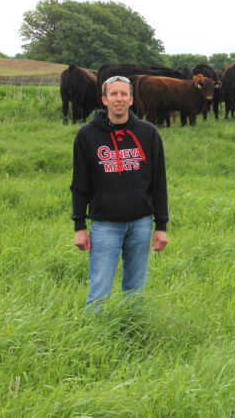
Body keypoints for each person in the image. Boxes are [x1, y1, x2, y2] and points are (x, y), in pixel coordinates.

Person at [71, 75, 169, 308]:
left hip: (141, 224)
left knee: (135, 291)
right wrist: (79, 227)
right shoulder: (87, 135)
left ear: (132, 100)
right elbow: (79, 184)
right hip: (105, 225)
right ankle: (93, 337)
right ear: (104, 100)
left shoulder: (148, 133)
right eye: (113, 94)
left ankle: (132, 336)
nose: (119, 99)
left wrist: (161, 226)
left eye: (124, 94)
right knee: (99, 290)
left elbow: (159, 182)